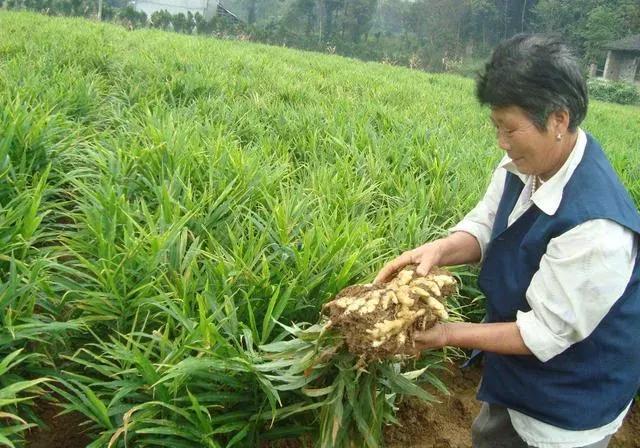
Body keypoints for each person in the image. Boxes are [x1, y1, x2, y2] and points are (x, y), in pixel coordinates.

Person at [374, 34, 640, 448]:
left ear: (558, 120)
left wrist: (444, 333)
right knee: (494, 434)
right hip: (514, 376)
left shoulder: (598, 230)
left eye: (510, 128)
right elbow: (486, 224)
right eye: (496, 126)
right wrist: (440, 250)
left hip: (568, 405)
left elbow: (542, 334)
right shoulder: (528, 161)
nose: (501, 141)